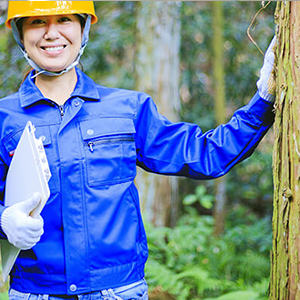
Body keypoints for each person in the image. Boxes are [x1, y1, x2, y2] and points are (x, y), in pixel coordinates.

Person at [0, 1, 276, 300]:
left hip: (120, 291)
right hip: (35, 292)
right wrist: (4, 221)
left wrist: (263, 99)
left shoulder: (128, 109)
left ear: (83, 28)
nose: (52, 33)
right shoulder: (4, 117)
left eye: (64, 19)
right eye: (37, 23)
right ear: (20, 32)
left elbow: (204, 154)